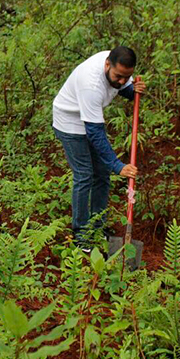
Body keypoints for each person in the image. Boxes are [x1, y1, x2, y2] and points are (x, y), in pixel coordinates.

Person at [52, 46, 146, 251]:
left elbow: (120, 86)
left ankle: (98, 225)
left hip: (88, 118)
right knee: (85, 175)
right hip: (69, 122)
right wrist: (118, 165)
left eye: (126, 77)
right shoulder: (91, 85)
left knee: (102, 173)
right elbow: (94, 133)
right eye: (118, 76)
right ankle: (81, 234)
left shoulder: (116, 65)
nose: (121, 81)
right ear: (107, 65)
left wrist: (131, 91)